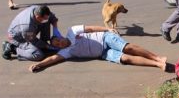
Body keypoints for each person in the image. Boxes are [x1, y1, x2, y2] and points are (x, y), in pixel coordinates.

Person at [28, 25, 168, 72]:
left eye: (58, 40)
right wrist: (39, 64)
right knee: (125, 59)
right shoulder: (66, 52)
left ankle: (157, 57)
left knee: (127, 48)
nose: (60, 43)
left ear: (60, 36)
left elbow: (90, 28)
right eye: (56, 45)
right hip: (103, 53)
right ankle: (156, 64)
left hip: (105, 38)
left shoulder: (72, 31)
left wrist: (107, 29)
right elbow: (53, 58)